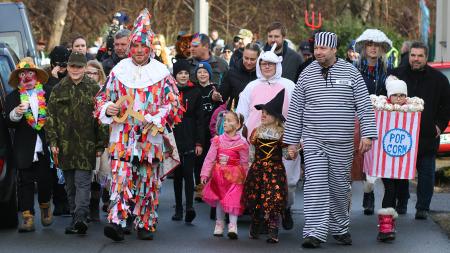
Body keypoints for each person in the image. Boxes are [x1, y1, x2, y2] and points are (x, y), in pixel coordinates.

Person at [95, 9, 183, 241]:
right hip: (122, 136)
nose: (139, 51)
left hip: (149, 137)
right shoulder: (118, 71)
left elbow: (174, 103)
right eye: (135, 46)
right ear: (130, 47)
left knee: (147, 181)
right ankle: (117, 221)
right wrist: (108, 108)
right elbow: (101, 98)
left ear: (150, 48)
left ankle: (145, 223)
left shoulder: (161, 73)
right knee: (121, 178)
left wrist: (158, 117)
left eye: (144, 46)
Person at [284, 32, 377, 248]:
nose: (318, 52)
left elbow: (364, 105)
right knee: (315, 186)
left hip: (342, 143)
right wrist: (292, 141)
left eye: (323, 49)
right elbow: (296, 109)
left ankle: (339, 228)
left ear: (334, 49)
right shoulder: (306, 74)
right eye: (316, 48)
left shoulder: (351, 73)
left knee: (339, 187)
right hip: (314, 140)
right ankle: (314, 232)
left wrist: (367, 134)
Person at [235, 44, 297, 230]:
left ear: (277, 65)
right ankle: (263, 218)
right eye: (263, 64)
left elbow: (297, 112)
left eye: (270, 64)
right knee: (260, 183)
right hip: (257, 142)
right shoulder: (251, 87)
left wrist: (298, 138)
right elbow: (241, 112)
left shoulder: (289, 86)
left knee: (289, 181)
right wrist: (239, 136)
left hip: (283, 141)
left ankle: (286, 208)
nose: (267, 67)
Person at [46, 52, 106, 235]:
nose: (75, 70)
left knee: (83, 182)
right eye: (72, 66)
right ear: (68, 67)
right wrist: (53, 141)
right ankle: (75, 217)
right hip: (65, 145)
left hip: (86, 145)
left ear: (84, 68)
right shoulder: (58, 89)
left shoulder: (94, 88)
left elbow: (101, 118)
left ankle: (81, 216)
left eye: (79, 67)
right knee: (70, 185)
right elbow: (50, 118)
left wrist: (100, 144)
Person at [390, 41, 450, 220]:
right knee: (399, 173)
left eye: (420, 56)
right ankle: (401, 203)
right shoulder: (396, 75)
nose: (415, 59)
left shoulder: (439, 79)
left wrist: (438, 126)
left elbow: (446, 106)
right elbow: (384, 97)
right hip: (401, 134)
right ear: (409, 56)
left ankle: (422, 207)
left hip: (427, 136)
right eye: (413, 55)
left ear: (426, 57)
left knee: (426, 173)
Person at [5, 58, 52, 232]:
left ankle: (45, 206)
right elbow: (8, 123)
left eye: (30, 73)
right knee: (25, 182)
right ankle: (27, 217)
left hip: (44, 147)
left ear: (36, 75)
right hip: (24, 148)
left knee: (45, 180)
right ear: (18, 78)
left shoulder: (48, 92)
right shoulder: (13, 97)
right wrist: (16, 113)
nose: (26, 77)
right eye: (22, 74)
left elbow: (56, 117)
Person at [354, 29, 394, 215]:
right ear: (364, 47)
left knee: (377, 159)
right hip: (359, 119)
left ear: (382, 49)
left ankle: (372, 193)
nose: (373, 48)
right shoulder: (355, 70)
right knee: (362, 157)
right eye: (370, 45)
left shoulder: (388, 71)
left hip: (382, 121)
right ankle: (367, 193)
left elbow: (393, 95)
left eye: (376, 45)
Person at [244, 90, 288, 243]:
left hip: (274, 171)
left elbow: (286, 154)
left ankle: (273, 230)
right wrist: (249, 165)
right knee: (255, 198)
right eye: (262, 112)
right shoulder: (256, 132)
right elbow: (252, 151)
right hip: (257, 170)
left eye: (267, 113)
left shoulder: (282, 133)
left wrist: (292, 152)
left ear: (275, 117)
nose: (262, 115)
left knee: (273, 200)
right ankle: (255, 225)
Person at [201, 111, 248, 239]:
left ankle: (233, 226)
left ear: (238, 125)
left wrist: (247, 177)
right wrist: (205, 174)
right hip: (219, 176)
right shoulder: (218, 140)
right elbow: (210, 158)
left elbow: (245, 162)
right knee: (220, 201)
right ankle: (219, 224)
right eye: (225, 120)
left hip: (235, 176)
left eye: (229, 120)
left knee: (233, 201)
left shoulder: (242, 143)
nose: (226, 123)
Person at [171, 59, 205, 222]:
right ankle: (178, 208)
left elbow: (200, 119)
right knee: (177, 175)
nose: (183, 76)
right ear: (175, 75)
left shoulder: (195, 92)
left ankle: (189, 207)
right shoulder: (170, 91)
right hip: (175, 136)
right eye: (180, 73)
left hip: (190, 135)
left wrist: (199, 142)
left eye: (185, 73)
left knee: (188, 173)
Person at [193, 62, 222, 201]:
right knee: (198, 160)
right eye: (199, 72)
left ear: (209, 74)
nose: (202, 74)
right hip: (198, 129)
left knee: (211, 160)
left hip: (211, 130)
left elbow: (221, 106)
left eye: (205, 72)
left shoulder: (215, 89)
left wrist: (218, 97)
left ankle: (211, 188)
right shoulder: (194, 89)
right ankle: (200, 188)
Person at [85, 59, 109, 222]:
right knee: (89, 174)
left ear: (99, 75)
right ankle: (89, 207)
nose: (91, 76)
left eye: (94, 73)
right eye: (88, 73)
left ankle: (100, 202)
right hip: (85, 138)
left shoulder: (105, 92)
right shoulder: (80, 90)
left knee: (102, 174)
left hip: (103, 138)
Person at [216, 43, 260, 110]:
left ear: (258, 58)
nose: (248, 62)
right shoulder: (232, 72)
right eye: (246, 58)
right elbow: (222, 97)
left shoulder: (262, 74)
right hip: (235, 114)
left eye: (252, 59)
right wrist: (215, 96)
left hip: (256, 114)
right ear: (242, 56)